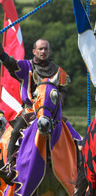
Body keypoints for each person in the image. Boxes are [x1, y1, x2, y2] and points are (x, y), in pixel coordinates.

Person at [0, 38, 70, 184]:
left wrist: (58, 100)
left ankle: (76, 165)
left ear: (49, 51)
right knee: (13, 133)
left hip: (52, 113)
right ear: (34, 51)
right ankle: (9, 167)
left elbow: (63, 91)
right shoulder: (26, 66)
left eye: (45, 49)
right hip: (30, 111)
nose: (43, 51)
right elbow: (10, 62)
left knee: (72, 136)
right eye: (40, 49)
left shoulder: (58, 71)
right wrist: (1, 53)